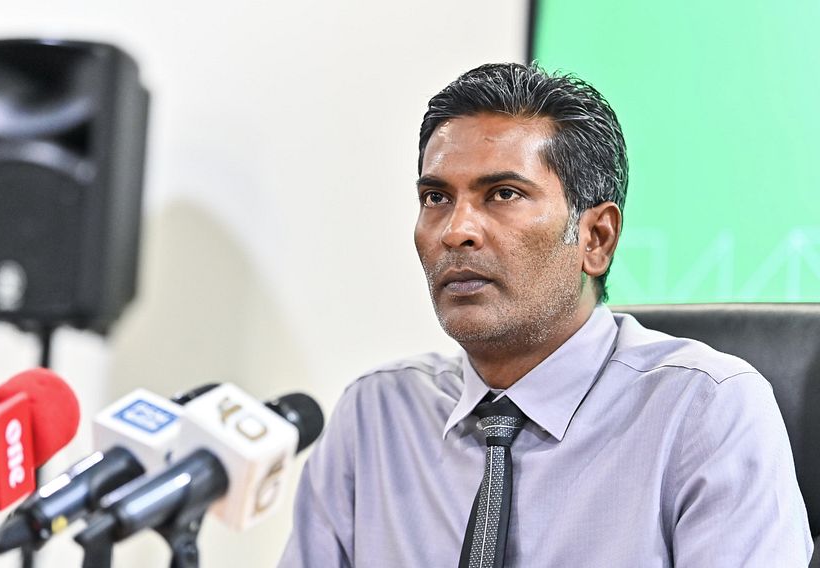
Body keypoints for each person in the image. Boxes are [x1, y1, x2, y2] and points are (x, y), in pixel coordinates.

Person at [279, 62, 812, 566]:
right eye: (436, 198)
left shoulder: (703, 411)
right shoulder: (375, 416)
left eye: (503, 194)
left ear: (596, 238)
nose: (456, 231)